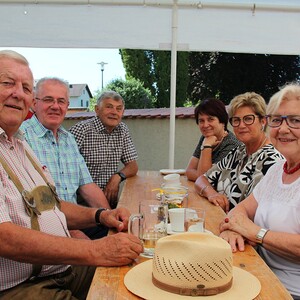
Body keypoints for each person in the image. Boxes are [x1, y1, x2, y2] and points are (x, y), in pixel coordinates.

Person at [0, 50, 142, 299]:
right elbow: (5, 238)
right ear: (37, 104)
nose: (17, 93)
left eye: (25, 87)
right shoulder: (29, 138)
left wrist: (102, 215)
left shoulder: (19, 145)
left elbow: (51, 207)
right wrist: (94, 250)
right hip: (19, 285)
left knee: (134, 276)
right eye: (7, 83)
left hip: (58, 268)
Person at [219, 83, 300, 300]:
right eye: (277, 120)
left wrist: (256, 233)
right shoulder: (277, 171)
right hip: (257, 273)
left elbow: (250, 227)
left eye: (295, 120)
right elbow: (239, 211)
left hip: (289, 291)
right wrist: (233, 229)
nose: (283, 129)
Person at [21, 77, 110, 239]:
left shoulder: (68, 139)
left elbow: (88, 186)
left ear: (67, 106)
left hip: (77, 219)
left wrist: (110, 216)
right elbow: (33, 204)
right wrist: (70, 233)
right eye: (48, 100)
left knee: (124, 233)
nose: (55, 106)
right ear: (34, 104)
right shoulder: (21, 137)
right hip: (44, 227)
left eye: (61, 101)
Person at [195, 92, 284, 212]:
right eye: (236, 120)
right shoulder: (238, 152)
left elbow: (253, 212)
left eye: (248, 119)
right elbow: (201, 179)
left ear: (263, 121)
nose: (241, 125)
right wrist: (211, 194)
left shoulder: (272, 160)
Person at [69, 91, 138, 208]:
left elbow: (133, 166)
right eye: (109, 107)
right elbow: (66, 169)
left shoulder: (122, 129)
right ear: (97, 109)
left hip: (109, 199)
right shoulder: (81, 130)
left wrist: (116, 178)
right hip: (81, 201)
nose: (114, 112)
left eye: (118, 109)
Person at [186, 98, 242, 181]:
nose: (205, 125)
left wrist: (207, 146)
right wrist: (200, 175)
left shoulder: (231, 144)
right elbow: (189, 171)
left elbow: (206, 179)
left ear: (222, 121)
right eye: (201, 121)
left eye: (210, 119)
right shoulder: (206, 138)